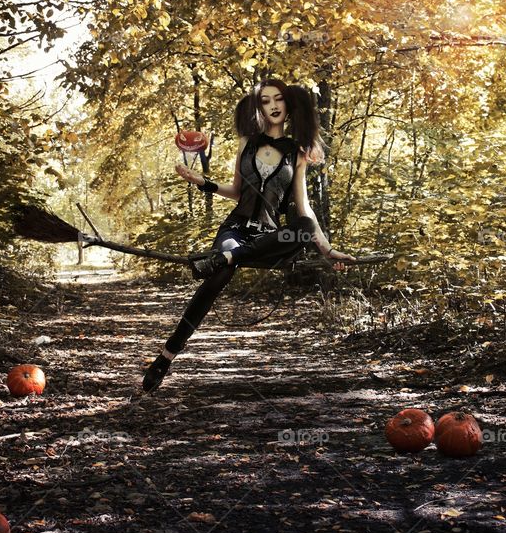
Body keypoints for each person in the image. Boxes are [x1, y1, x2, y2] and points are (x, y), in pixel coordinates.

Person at [141, 78, 357, 393]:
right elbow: (236, 191)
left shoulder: (296, 153)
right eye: (265, 100)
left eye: (278, 99)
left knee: (305, 227)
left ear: (287, 105)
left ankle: (227, 257)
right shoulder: (247, 143)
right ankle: (165, 357)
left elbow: (304, 207)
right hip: (236, 228)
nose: (273, 105)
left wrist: (327, 250)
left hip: (270, 239)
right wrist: (202, 181)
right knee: (218, 274)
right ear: (259, 107)